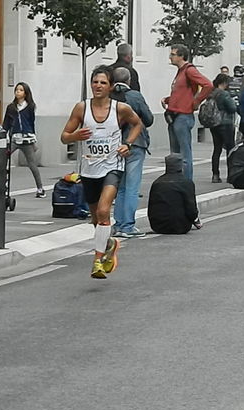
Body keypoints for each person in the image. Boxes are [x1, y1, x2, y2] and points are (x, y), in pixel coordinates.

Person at [61, 65, 143, 279]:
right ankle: (109, 243)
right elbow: (64, 136)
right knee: (96, 219)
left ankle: (98, 261)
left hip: (112, 165)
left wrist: (128, 144)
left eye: (103, 83)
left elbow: (138, 124)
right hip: (89, 168)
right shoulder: (81, 108)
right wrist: (75, 136)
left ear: (111, 86)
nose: (98, 86)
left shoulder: (120, 109)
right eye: (95, 82)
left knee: (104, 211)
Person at [110, 67, 154, 238]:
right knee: (132, 187)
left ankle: (118, 224)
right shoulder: (135, 96)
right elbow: (149, 119)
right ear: (129, 80)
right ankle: (128, 225)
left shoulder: (108, 96)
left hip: (114, 145)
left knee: (119, 187)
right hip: (134, 144)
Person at [161, 44, 213, 181]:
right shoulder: (180, 72)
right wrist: (168, 100)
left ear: (181, 56)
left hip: (182, 116)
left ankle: (186, 182)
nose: (170, 57)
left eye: (173, 54)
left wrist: (196, 102)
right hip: (174, 115)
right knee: (175, 153)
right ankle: (177, 181)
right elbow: (182, 93)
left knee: (184, 154)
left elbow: (208, 85)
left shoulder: (189, 70)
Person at [2, 82, 45, 198]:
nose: (18, 92)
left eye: (20, 90)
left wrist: (33, 137)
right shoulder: (11, 107)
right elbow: (6, 122)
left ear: (25, 93)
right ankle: (0, 186)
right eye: (16, 90)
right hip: (15, 138)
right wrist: (3, 134)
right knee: (2, 158)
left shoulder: (30, 106)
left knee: (32, 164)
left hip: (27, 138)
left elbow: (31, 122)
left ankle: (40, 188)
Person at [148, 153, 199, 235]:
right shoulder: (187, 182)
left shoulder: (157, 183)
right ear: (180, 166)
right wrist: (195, 220)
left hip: (158, 226)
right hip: (181, 226)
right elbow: (191, 208)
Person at [209, 73, 237, 183]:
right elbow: (232, 108)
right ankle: (231, 174)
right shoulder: (224, 94)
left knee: (217, 149)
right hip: (225, 123)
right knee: (230, 149)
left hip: (214, 123)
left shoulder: (211, 93)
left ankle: (215, 174)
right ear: (224, 83)